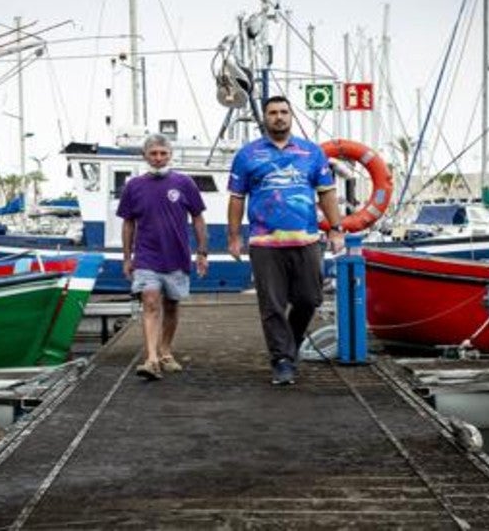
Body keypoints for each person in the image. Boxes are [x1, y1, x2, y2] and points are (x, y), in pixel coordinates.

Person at [227, 96, 345, 386]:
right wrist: (233, 237)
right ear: (265, 118)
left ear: (291, 116)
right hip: (264, 242)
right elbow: (236, 198)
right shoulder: (247, 155)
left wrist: (336, 228)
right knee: (272, 304)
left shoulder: (311, 153)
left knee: (310, 298)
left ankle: (290, 343)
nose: (278, 117)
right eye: (272, 113)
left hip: (305, 239)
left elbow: (327, 192)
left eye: (283, 112)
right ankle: (282, 360)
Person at [117, 133, 209, 381]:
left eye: (163, 153)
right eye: (153, 153)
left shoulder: (184, 183)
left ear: (170, 155)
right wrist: (127, 257)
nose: (158, 158)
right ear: (145, 156)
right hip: (147, 256)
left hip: (177, 255)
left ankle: (165, 350)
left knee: (172, 305)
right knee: (149, 301)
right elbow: (128, 223)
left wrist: (202, 251)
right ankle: (151, 359)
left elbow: (198, 217)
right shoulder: (133, 186)